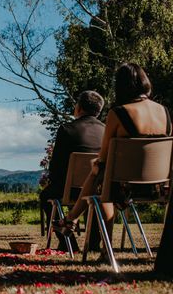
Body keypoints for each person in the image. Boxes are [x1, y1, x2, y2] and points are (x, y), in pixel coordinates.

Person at [55, 64, 171, 245]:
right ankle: (72, 221)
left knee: (99, 173)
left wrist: (98, 166)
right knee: (102, 176)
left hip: (126, 186)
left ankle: (73, 221)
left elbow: (104, 156)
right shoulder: (165, 112)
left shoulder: (118, 113)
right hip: (159, 186)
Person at [40, 90, 105, 251]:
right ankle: (94, 243)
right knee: (95, 198)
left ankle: (67, 243)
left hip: (72, 190)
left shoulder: (67, 129)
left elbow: (56, 167)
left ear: (79, 108)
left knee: (46, 196)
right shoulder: (106, 130)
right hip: (101, 189)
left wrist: (55, 182)